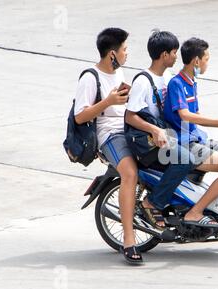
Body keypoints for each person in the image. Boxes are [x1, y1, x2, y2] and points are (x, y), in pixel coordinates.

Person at [73, 28, 142, 265]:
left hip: (128, 128)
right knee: (130, 174)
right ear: (112, 53)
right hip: (109, 134)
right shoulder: (90, 77)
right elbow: (80, 117)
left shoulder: (117, 70)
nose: (127, 53)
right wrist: (108, 101)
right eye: (124, 49)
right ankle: (129, 240)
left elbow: (124, 96)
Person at [164, 37, 218, 227]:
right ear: (196, 61)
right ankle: (196, 211)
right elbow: (185, 115)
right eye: (206, 59)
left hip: (198, 138)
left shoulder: (192, 82)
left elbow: (197, 114)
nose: (208, 63)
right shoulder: (177, 84)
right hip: (185, 143)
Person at [126, 30, 195, 229]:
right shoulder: (143, 81)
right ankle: (152, 202)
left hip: (166, 135)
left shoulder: (167, 76)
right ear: (164, 55)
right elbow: (130, 116)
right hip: (148, 142)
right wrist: (154, 130)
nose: (176, 57)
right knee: (185, 160)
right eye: (174, 52)